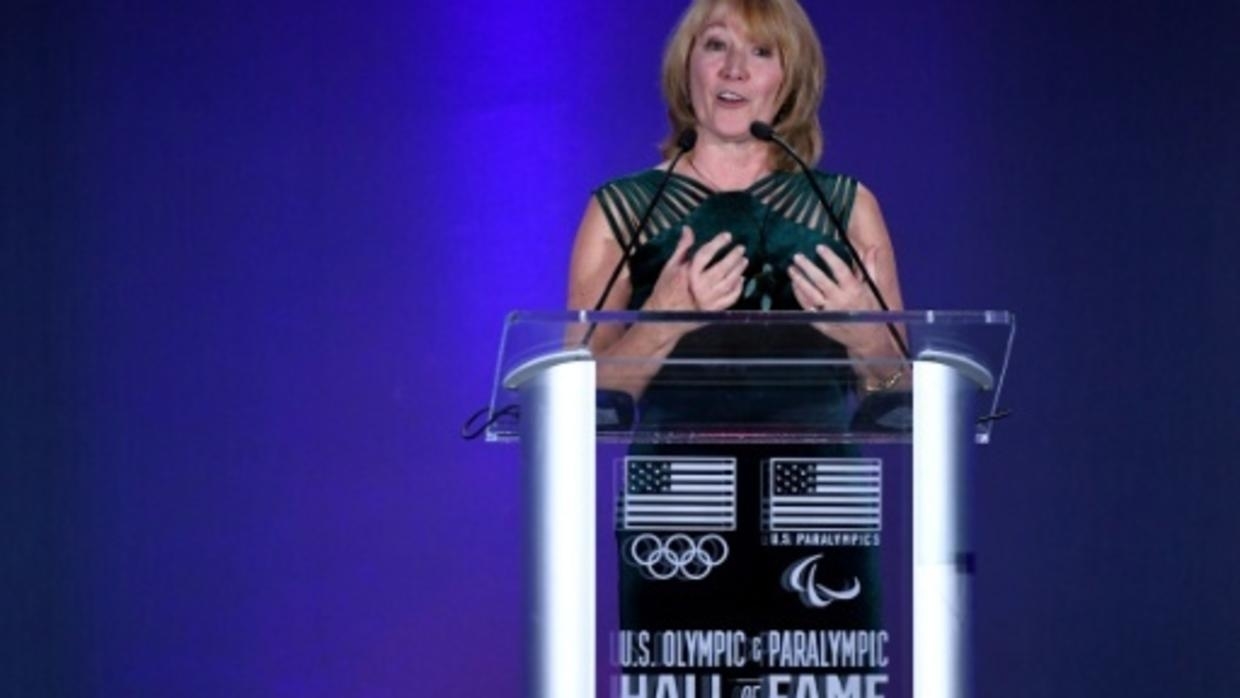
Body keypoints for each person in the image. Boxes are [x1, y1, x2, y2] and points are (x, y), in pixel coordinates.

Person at [566, 0, 906, 692]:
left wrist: (866, 335)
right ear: (685, 66)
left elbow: (898, 387)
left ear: (790, 77)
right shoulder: (621, 210)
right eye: (716, 45)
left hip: (819, 510)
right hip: (678, 514)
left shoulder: (846, 207)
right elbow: (578, 397)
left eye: (761, 52)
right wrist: (664, 319)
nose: (734, 70)